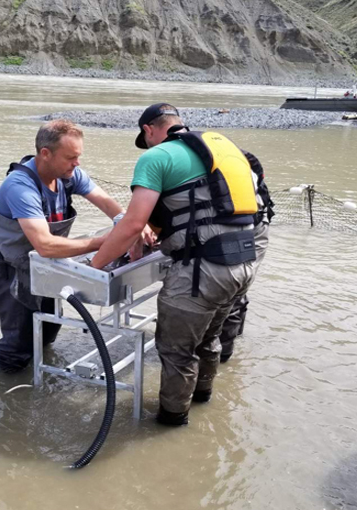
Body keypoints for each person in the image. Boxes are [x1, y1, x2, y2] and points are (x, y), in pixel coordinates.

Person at [90, 103, 270, 426]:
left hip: (204, 272)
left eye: (145, 140)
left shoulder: (155, 157)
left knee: (176, 351)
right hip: (244, 262)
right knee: (207, 340)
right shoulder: (219, 145)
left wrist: (95, 266)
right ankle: (203, 401)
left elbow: (132, 224)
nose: (147, 146)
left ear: (149, 131)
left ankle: (172, 423)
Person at [0, 119, 135, 373]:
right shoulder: (20, 186)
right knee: (17, 344)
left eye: (78, 157)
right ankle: (8, 395)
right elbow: (45, 245)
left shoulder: (69, 175)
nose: (76, 164)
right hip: (13, 269)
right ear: (45, 153)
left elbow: (110, 205)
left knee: (48, 331)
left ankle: (40, 380)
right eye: (70, 157)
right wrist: (107, 242)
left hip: (47, 269)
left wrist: (131, 225)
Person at [218, 151, 274, 362]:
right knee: (236, 287)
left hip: (252, 230)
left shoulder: (239, 168)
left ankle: (224, 355)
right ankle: (232, 336)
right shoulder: (232, 163)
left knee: (235, 289)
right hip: (242, 228)